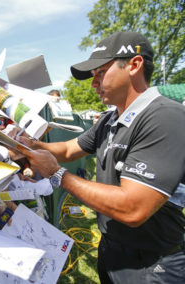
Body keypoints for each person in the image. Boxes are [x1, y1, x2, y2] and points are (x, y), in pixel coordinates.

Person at [18, 31, 185, 283]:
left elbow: (133, 208)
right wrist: (27, 145)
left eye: (100, 73)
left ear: (134, 65)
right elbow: (67, 150)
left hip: (152, 263)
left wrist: (57, 174)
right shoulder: (110, 118)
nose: (93, 83)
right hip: (113, 250)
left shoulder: (164, 117)